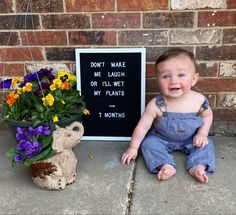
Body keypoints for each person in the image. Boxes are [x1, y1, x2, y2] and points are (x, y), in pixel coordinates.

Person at [121, 48, 215, 183]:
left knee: (207, 144)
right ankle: (165, 165)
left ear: (194, 79)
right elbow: (142, 127)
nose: (173, 80)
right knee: (148, 144)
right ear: (158, 80)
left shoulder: (199, 101)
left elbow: (207, 116)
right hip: (162, 138)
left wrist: (202, 133)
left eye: (181, 75)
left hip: (191, 138)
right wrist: (133, 147)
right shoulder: (156, 104)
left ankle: (198, 166)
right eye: (166, 76)